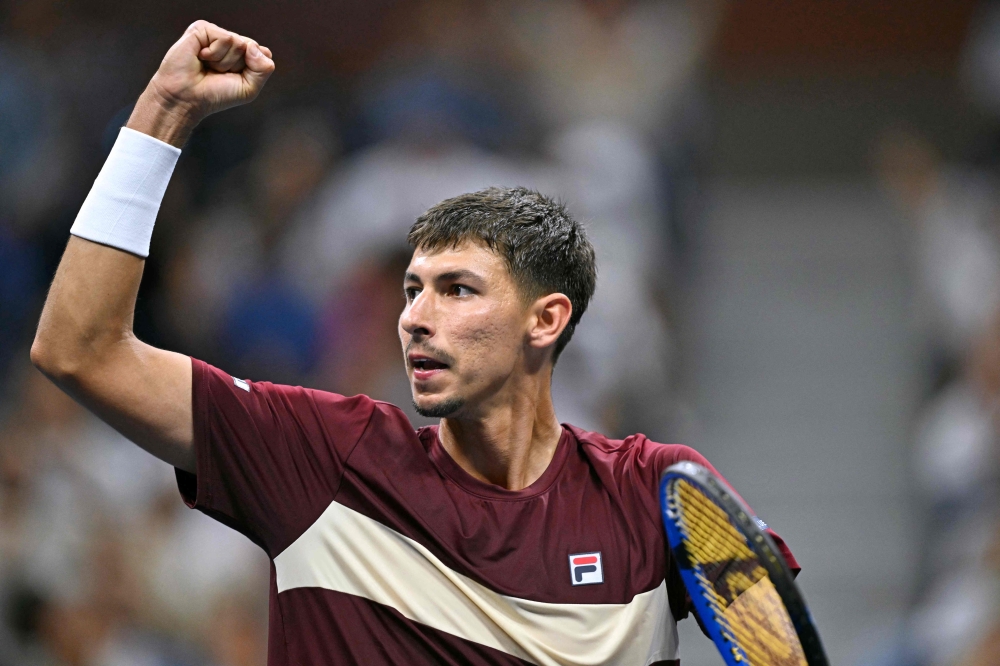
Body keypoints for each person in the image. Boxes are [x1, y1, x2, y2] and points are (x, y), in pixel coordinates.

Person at [30, 21, 798, 666]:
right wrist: (161, 113)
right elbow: (79, 348)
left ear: (547, 320)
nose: (414, 318)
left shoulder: (652, 492)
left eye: (456, 290)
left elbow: (777, 636)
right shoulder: (317, 458)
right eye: (411, 292)